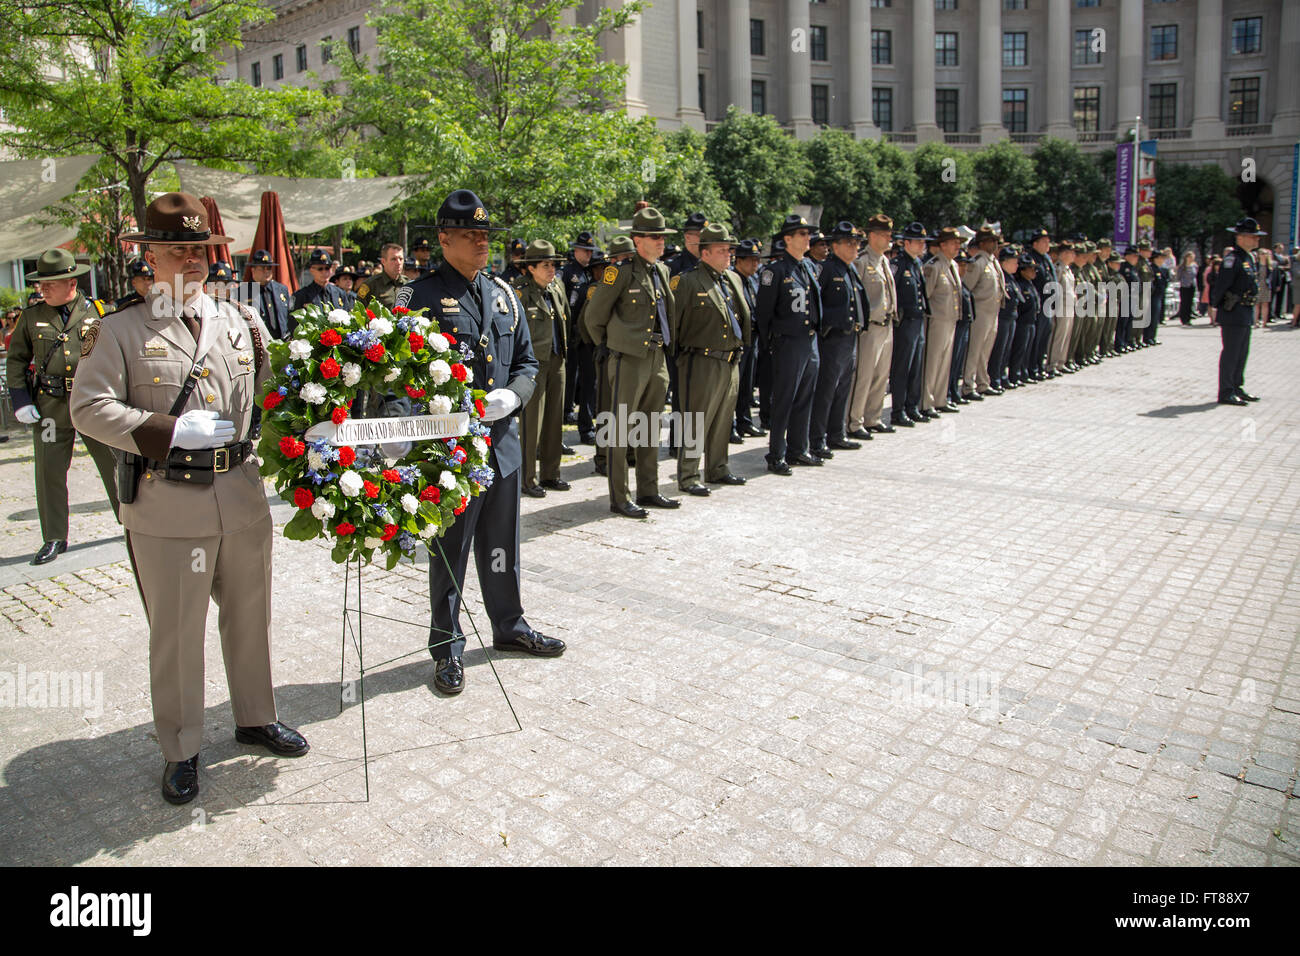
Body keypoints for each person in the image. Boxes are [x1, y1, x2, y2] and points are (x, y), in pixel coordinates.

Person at [70, 191, 308, 804]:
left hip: (241, 494)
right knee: (177, 632)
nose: (193, 258)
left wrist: (319, 421)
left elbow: (276, 393)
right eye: (177, 249)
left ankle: (255, 716)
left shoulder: (242, 322)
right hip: (169, 502)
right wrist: (169, 431)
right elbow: (88, 409)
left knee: (250, 616)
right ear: (150, 255)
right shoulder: (118, 329)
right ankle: (180, 747)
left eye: (201, 247)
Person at [394, 189, 563, 696]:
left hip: (503, 442)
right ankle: (447, 645)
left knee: (502, 544)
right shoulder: (417, 296)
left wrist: (514, 396)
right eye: (471, 234)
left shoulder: (504, 293)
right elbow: (399, 373)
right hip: (451, 451)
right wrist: (401, 435)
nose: (482, 242)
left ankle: (509, 625)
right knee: (451, 550)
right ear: (444, 239)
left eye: (486, 234)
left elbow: (527, 363)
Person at [6, 249, 119, 565]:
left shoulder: (100, 312)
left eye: (50, 283)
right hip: (50, 407)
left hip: (93, 403)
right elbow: (16, 361)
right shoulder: (31, 317)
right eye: (41, 283)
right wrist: (21, 401)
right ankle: (54, 536)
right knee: (49, 471)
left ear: (71, 282)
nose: (42, 288)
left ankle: (130, 522)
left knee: (113, 464)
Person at [583, 207, 679, 516]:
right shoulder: (620, 272)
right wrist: (611, 345)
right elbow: (593, 316)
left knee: (650, 426)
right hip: (629, 359)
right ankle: (620, 497)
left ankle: (649, 490)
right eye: (655, 236)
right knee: (621, 429)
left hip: (657, 357)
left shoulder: (662, 271)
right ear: (638, 240)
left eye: (663, 236)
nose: (661, 241)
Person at [670, 222, 750, 494]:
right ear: (705, 253)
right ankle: (689, 475)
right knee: (696, 420)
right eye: (722, 250)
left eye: (729, 250)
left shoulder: (733, 279)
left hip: (730, 360)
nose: (729, 255)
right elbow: (674, 324)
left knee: (723, 419)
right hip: (700, 361)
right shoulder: (688, 281)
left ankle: (718, 468)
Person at [756, 214, 822, 474]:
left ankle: (798, 449)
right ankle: (776, 454)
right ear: (788, 239)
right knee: (784, 399)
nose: (808, 238)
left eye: (808, 234)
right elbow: (763, 313)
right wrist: (770, 343)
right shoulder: (774, 271)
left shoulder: (809, 267)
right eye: (802, 234)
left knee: (805, 397)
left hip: (809, 340)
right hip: (788, 342)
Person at [512, 240, 570, 498]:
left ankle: (551, 473)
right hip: (534, 364)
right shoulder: (520, 292)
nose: (551, 270)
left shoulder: (556, 287)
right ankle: (527, 478)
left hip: (557, 359)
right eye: (546, 265)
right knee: (532, 422)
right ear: (531, 268)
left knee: (554, 420)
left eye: (553, 265)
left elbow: (566, 318)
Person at [810, 220, 867, 456]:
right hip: (831, 338)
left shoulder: (850, 269)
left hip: (849, 337)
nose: (855, 247)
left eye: (857, 243)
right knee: (826, 390)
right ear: (835, 246)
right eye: (849, 243)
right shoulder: (826, 269)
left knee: (843, 387)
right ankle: (817, 438)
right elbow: (815, 302)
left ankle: (837, 433)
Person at [847, 214, 897, 436]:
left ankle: (872, 417)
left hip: (887, 324)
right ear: (873, 236)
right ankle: (854, 421)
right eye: (885, 235)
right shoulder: (862, 261)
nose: (889, 239)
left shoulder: (884, 261)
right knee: (864, 375)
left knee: (881, 376)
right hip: (870, 326)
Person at [589, 235, 635, 478]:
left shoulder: (635, 280)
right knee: (607, 408)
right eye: (623, 259)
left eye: (630, 258)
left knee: (629, 408)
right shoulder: (605, 284)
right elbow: (590, 320)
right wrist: (603, 343)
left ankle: (628, 451)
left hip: (629, 352)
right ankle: (603, 457)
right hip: (609, 351)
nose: (626, 262)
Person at [1211, 218, 1266, 406]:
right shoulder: (1232, 259)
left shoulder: (1248, 258)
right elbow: (1221, 286)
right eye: (1253, 236)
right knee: (1232, 353)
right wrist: (1218, 308)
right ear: (1240, 237)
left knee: (1242, 353)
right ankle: (1226, 391)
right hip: (1233, 312)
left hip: (1245, 311)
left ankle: (1236, 387)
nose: (1257, 239)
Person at [889, 222, 931, 426]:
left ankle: (911, 406)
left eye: (923, 242)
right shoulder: (898, 264)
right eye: (918, 241)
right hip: (904, 323)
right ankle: (898, 410)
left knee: (916, 366)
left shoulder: (917, 264)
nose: (922, 245)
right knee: (902, 368)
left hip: (917, 320)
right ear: (906, 243)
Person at [560, 231, 600, 445]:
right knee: (568, 378)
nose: (588, 255)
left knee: (588, 382)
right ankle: (566, 412)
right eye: (585, 251)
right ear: (576, 250)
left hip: (586, 337)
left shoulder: (591, 272)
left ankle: (586, 425)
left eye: (590, 251)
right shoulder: (567, 273)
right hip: (570, 334)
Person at [921, 226, 963, 416]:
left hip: (950, 319)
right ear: (943, 245)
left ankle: (940, 399)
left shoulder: (953, 265)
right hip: (936, 321)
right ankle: (926, 402)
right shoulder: (934, 266)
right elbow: (926, 295)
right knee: (932, 363)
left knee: (945, 362)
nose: (957, 246)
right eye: (954, 243)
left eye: (959, 243)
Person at [961, 225, 1004, 400]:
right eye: (991, 241)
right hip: (979, 312)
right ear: (982, 243)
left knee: (985, 351)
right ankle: (968, 385)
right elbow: (967, 288)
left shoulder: (993, 262)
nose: (995, 244)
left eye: (995, 241)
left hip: (992, 312)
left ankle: (983, 383)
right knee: (974, 350)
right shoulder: (977, 262)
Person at [731, 238, 766, 441]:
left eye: (757, 260)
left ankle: (745, 421)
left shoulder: (752, 280)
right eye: (751, 260)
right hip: (739, 339)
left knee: (747, 384)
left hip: (753, 338)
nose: (755, 264)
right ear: (739, 261)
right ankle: (730, 426)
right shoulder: (732, 280)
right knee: (734, 386)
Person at [988, 245, 1023, 390]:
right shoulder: (1001, 277)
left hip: (1011, 318)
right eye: (1014, 262)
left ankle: (1002, 376)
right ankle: (995, 379)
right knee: (999, 350)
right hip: (1002, 317)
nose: (1017, 265)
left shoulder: (1011, 278)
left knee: (1006, 350)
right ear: (1005, 262)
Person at [290, 249, 349, 324]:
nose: (324, 272)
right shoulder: (301, 296)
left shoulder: (340, 293)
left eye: (327, 268)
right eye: (320, 269)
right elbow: (294, 324)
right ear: (312, 270)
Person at [246, 249, 293, 340]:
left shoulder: (282, 289)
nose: (266, 271)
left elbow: (290, 315)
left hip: (283, 342)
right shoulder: (243, 292)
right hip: (258, 342)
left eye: (269, 268)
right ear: (253, 270)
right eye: (262, 268)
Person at [1047, 240, 1076, 375]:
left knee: (1066, 335)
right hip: (1061, 307)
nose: (1073, 255)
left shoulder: (1068, 269)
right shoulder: (1058, 268)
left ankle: (1061, 362)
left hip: (1069, 306)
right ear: (1063, 254)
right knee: (1058, 336)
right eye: (1071, 253)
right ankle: (1052, 364)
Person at [355, 243, 407, 310]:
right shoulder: (370, 285)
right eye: (393, 259)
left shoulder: (408, 284)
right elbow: (358, 311)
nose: (398, 263)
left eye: (401, 259)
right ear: (383, 261)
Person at [1177, 251, 1198, 325]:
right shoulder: (1182, 267)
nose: (1191, 259)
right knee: (1184, 302)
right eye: (1190, 257)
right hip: (1184, 286)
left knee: (1190, 302)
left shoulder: (1194, 266)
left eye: (1192, 257)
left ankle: (1188, 317)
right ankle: (1184, 318)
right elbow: (1178, 276)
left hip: (1192, 285)